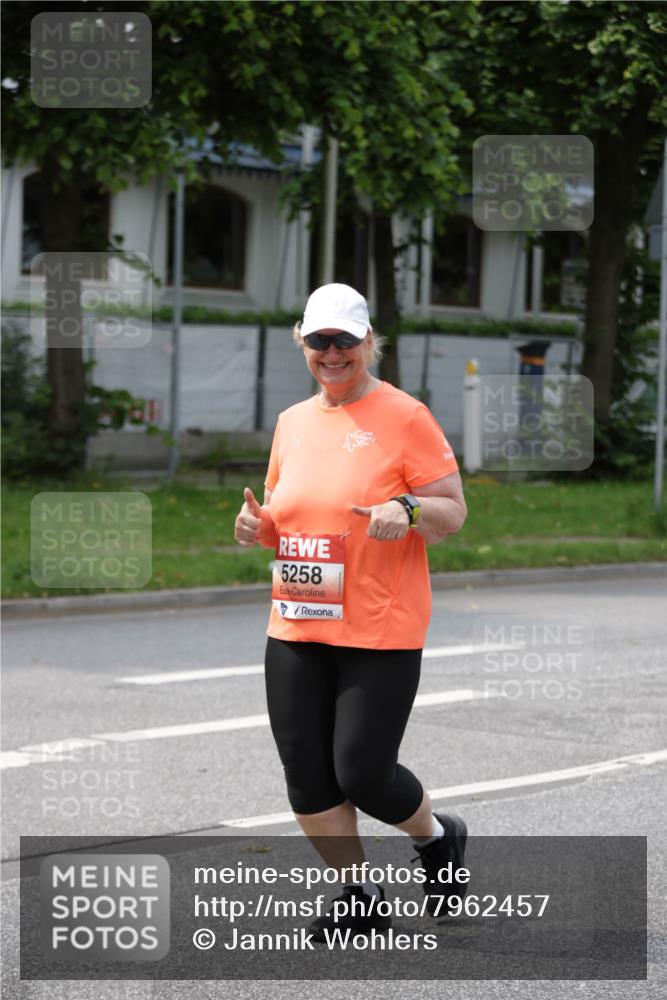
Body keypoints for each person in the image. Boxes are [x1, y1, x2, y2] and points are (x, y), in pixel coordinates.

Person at [234, 283, 468, 939]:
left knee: (362, 774)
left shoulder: (405, 416)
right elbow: (285, 519)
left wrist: (410, 510)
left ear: (368, 342)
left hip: (379, 627)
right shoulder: (291, 423)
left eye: (344, 340)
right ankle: (358, 892)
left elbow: (451, 510)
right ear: (301, 345)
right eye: (319, 341)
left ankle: (433, 836)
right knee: (306, 777)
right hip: (297, 623)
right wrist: (256, 527)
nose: (331, 353)